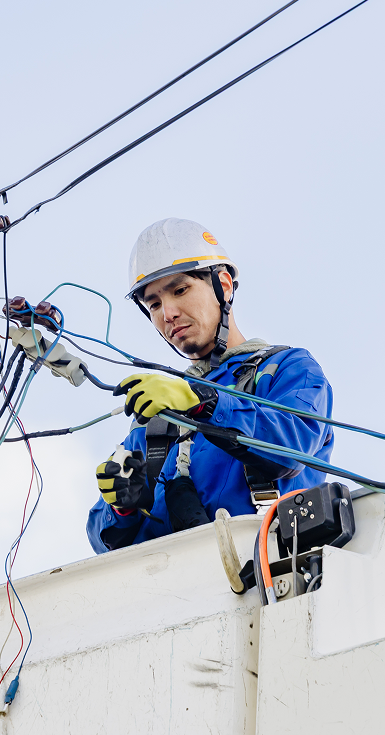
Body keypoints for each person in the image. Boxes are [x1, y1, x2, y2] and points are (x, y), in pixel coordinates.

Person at [86, 218, 334, 553]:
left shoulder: (287, 369)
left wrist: (204, 401)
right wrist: (122, 507)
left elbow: (291, 446)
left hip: (265, 570)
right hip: (176, 592)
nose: (168, 313)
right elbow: (104, 546)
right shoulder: (157, 417)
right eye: (154, 304)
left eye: (180, 290)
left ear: (224, 285)